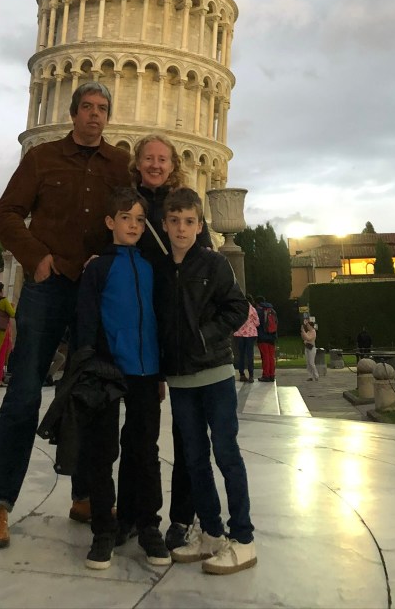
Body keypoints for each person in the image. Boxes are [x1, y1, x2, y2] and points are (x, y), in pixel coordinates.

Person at [0, 81, 131, 550]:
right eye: (87, 107)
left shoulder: (119, 164)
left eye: (102, 108)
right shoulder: (42, 158)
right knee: (24, 391)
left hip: (93, 291)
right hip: (48, 286)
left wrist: (109, 261)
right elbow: (6, 213)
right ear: (73, 113)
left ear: (108, 116)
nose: (95, 115)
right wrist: (36, 258)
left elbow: (133, 218)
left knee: (91, 392)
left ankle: (86, 495)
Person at [154, 187, 256, 575]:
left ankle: (243, 538)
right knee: (194, 459)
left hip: (214, 374)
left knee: (226, 453)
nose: (181, 228)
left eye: (189, 222)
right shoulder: (160, 270)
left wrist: (203, 337)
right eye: (175, 221)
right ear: (165, 225)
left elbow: (237, 307)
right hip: (181, 379)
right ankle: (212, 532)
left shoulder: (214, 264)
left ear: (200, 226)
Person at [75, 187, 170, 571]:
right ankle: (103, 530)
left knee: (144, 451)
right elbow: (85, 321)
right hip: (107, 371)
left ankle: (146, 525)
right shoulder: (98, 268)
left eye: (139, 219)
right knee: (103, 452)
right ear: (110, 222)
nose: (133, 225)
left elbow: (160, 318)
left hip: (146, 371)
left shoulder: (151, 266)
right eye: (125, 218)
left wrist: (160, 373)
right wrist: (88, 367)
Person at [129, 134, 212, 552]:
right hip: (144, 332)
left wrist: (205, 334)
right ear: (138, 162)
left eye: (163, 159)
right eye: (149, 158)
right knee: (140, 432)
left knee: (187, 434)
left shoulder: (184, 205)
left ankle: (181, 518)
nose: (156, 165)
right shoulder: (130, 205)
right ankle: (139, 516)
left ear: (173, 163)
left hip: (181, 335)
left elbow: (207, 266)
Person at [233, 296, 259, 383]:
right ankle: (251, 375)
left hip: (240, 334)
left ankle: (242, 374)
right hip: (250, 334)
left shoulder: (238, 309)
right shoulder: (252, 309)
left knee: (241, 354)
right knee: (250, 354)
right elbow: (257, 322)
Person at [255, 295, 278, 382]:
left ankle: (266, 375)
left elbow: (257, 324)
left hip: (262, 337)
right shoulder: (272, 310)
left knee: (265, 356)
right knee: (271, 356)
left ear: (257, 303)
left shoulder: (259, 311)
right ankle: (272, 374)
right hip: (272, 337)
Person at [301, 317, 319, 382]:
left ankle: (316, 376)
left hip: (312, 349)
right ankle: (310, 376)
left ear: (311, 326)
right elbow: (305, 338)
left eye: (308, 325)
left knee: (311, 363)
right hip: (307, 347)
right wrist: (302, 333)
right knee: (308, 363)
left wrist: (304, 332)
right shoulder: (308, 331)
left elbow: (309, 338)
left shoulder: (313, 332)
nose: (307, 327)